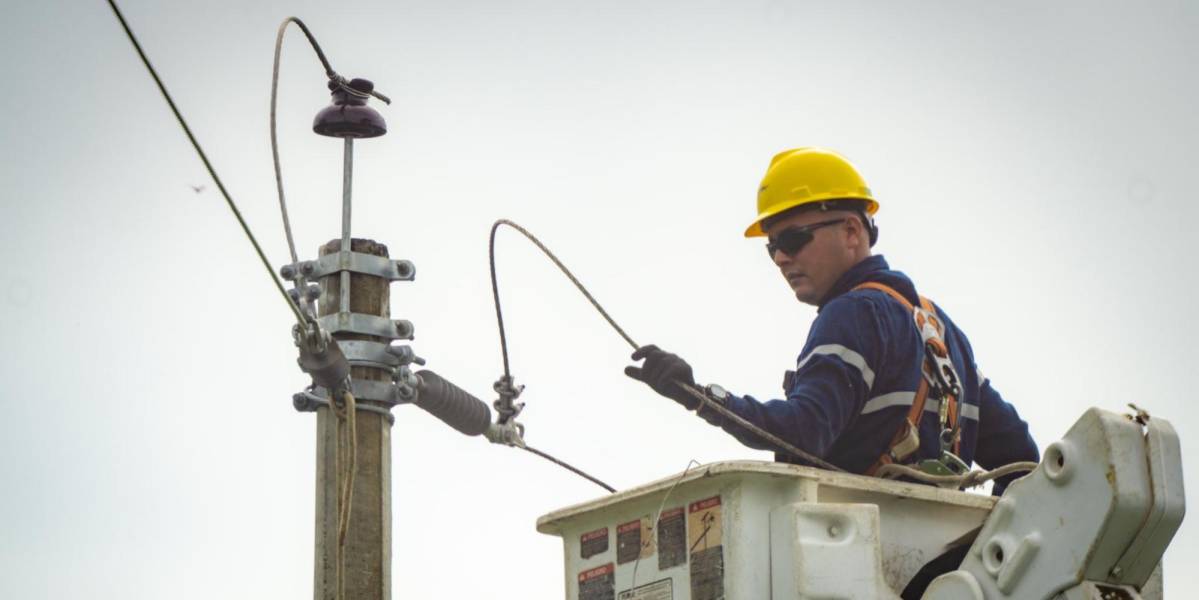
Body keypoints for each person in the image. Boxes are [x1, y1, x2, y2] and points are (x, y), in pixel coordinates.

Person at [625, 147, 1038, 495]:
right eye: (773, 249)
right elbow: (1021, 458)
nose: (782, 258)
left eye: (793, 239)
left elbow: (805, 430)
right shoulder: (942, 331)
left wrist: (700, 396)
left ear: (852, 231)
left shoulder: (852, 314)